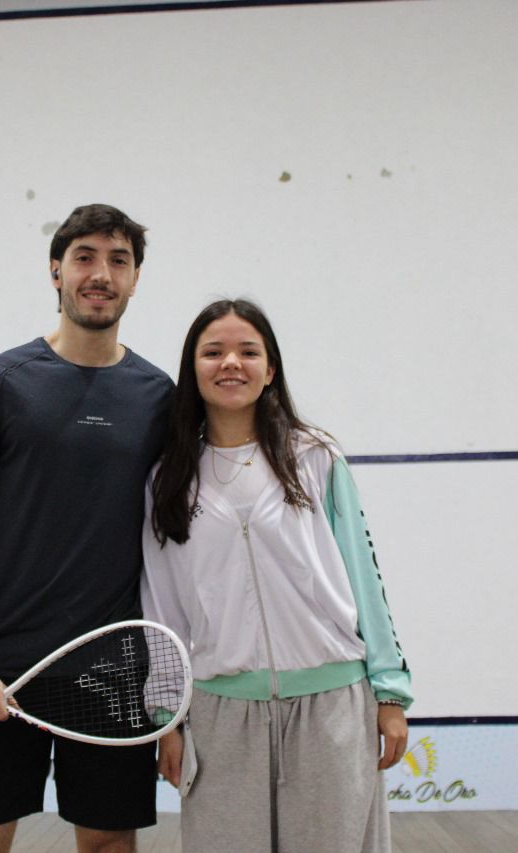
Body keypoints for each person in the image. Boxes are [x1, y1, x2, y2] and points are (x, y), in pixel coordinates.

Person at [0, 204, 174, 853]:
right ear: (55, 271)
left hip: (114, 670)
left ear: (136, 277)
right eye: (86, 256)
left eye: (118, 259)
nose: (101, 273)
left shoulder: (160, 397)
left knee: (107, 843)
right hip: (2, 669)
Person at [141, 298, 413, 853]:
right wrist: (167, 717)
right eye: (213, 352)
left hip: (332, 705)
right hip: (221, 718)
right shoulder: (167, 482)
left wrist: (390, 694)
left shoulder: (316, 458)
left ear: (270, 370)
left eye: (248, 351)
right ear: (193, 371)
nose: (231, 364)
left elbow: (366, 579)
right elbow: (161, 608)